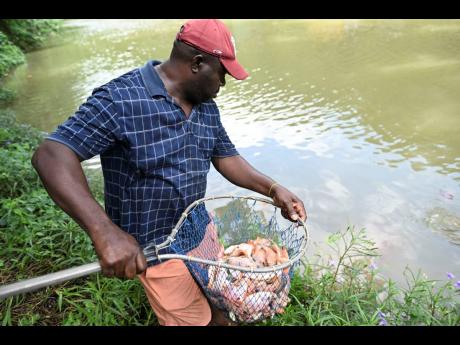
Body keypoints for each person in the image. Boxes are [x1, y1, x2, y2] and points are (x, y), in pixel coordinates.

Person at [31, 19, 307, 326]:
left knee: (221, 305)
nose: (223, 85)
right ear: (197, 63)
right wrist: (105, 232)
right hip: (158, 248)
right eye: (222, 74)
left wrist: (272, 188)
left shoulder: (205, 107)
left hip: (199, 229)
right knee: (195, 321)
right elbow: (52, 154)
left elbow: (226, 157)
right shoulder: (121, 100)